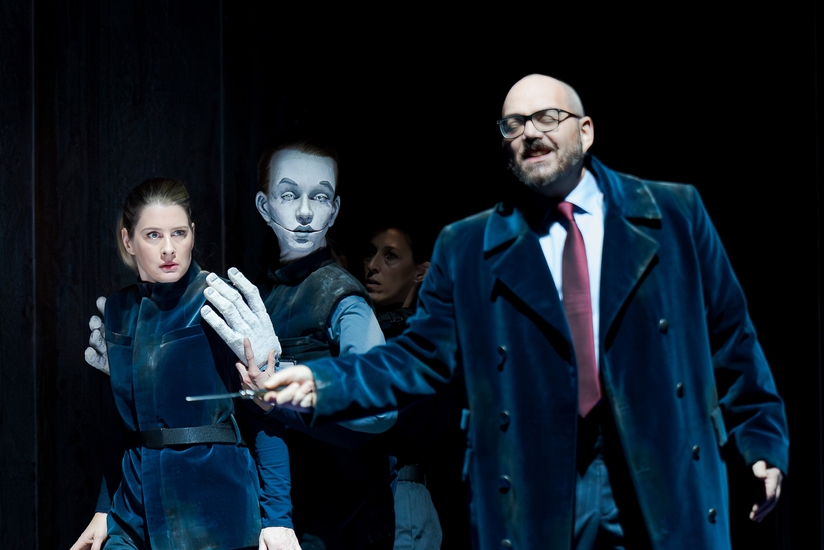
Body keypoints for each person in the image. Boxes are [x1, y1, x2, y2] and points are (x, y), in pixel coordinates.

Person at [238, 74, 791, 550]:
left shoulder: (673, 213)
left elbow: (732, 336)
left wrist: (762, 438)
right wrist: (322, 383)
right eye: (513, 124)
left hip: (657, 471)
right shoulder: (468, 246)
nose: (530, 132)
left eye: (547, 117)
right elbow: (416, 357)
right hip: (537, 483)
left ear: (586, 130)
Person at [71, 178, 299, 550]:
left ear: (192, 234)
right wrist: (104, 509)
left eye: (179, 233)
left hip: (213, 510)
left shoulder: (220, 300)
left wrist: (278, 519)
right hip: (135, 510)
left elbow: (265, 417)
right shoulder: (118, 310)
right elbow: (121, 427)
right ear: (128, 240)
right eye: (153, 235)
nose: (169, 248)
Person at [201, 136, 397, 550]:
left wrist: (284, 385)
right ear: (264, 205)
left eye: (320, 197)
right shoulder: (266, 294)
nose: (305, 212)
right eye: (289, 194)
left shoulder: (341, 296)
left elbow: (380, 404)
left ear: (334, 209)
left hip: (343, 518)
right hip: (280, 516)